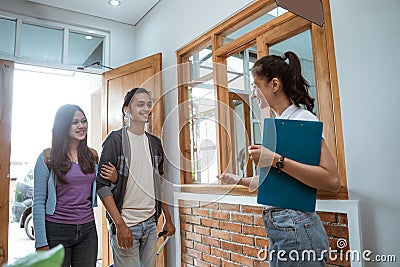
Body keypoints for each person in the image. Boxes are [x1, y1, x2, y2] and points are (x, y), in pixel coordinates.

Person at [218, 51, 341, 266]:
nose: (254, 94)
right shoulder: (277, 125)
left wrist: (275, 159)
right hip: (281, 228)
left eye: (256, 86)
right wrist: (236, 180)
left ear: (274, 84)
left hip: (296, 226)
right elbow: (273, 183)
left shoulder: (303, 119)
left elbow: (332, 181)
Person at [96, 87, 175, 267]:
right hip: (126, 224)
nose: (146, 108)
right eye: (140, 104)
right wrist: (120, 225)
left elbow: (159, 184)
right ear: (127, 110)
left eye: (148, 104)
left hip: (150, 224)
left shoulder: (155, 144)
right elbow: (101, 186)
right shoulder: (114, 141)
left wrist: (168, 219)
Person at [32, 104, 105, 267]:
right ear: (63, 126)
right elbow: (38, 203)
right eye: (75, 122)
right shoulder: (47, 158)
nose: (81, 126)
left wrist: (113, 177)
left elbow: (102, 188)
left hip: (87, 229)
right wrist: (41, 243)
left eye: (84, 121)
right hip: (56, 230)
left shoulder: (92, 156)